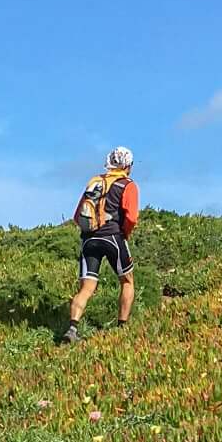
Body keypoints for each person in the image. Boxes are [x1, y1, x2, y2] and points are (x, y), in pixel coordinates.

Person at [65, 146, 141, 343]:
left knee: (87, 288)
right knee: (127, 281)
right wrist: (124, 233)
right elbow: (131, 217)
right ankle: (122, 327)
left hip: (89, 239)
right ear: (128, 166)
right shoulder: (128, 185)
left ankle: (72, 328)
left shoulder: (94, 182)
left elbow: (77, 215)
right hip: (114, 238)